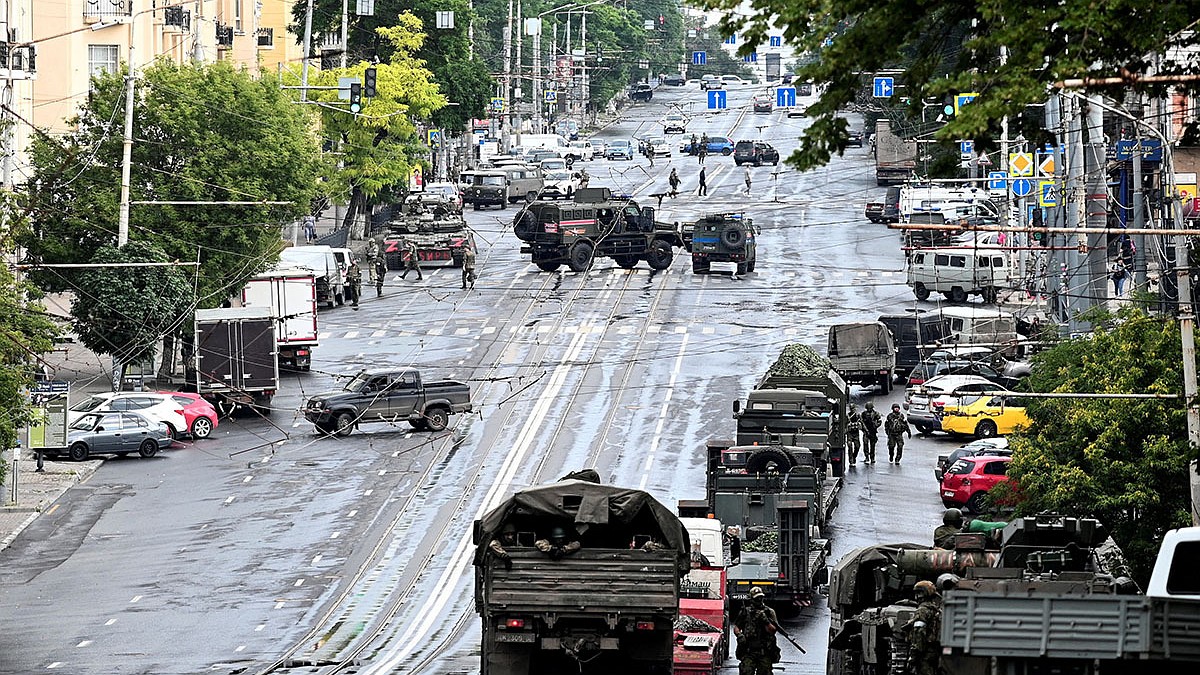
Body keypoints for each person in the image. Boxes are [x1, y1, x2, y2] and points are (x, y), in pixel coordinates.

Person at [733, 586, 781, 675]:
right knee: (746, 671)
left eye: (761, 598)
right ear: (752, 599)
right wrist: (739, 635)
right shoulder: (745, 612)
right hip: (748, 650)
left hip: (764, 651)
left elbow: (773, 631)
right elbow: (736, 627)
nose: (759, 600)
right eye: (757, 598)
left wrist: (765, 620)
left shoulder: (769, 612)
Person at [902, 581, 943, 675]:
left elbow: (919, 632)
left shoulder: (922, 610)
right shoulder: (936, 609)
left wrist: (914, 654)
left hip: (924, 652)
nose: (916, 596)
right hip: (935, 651)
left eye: (918, 593)